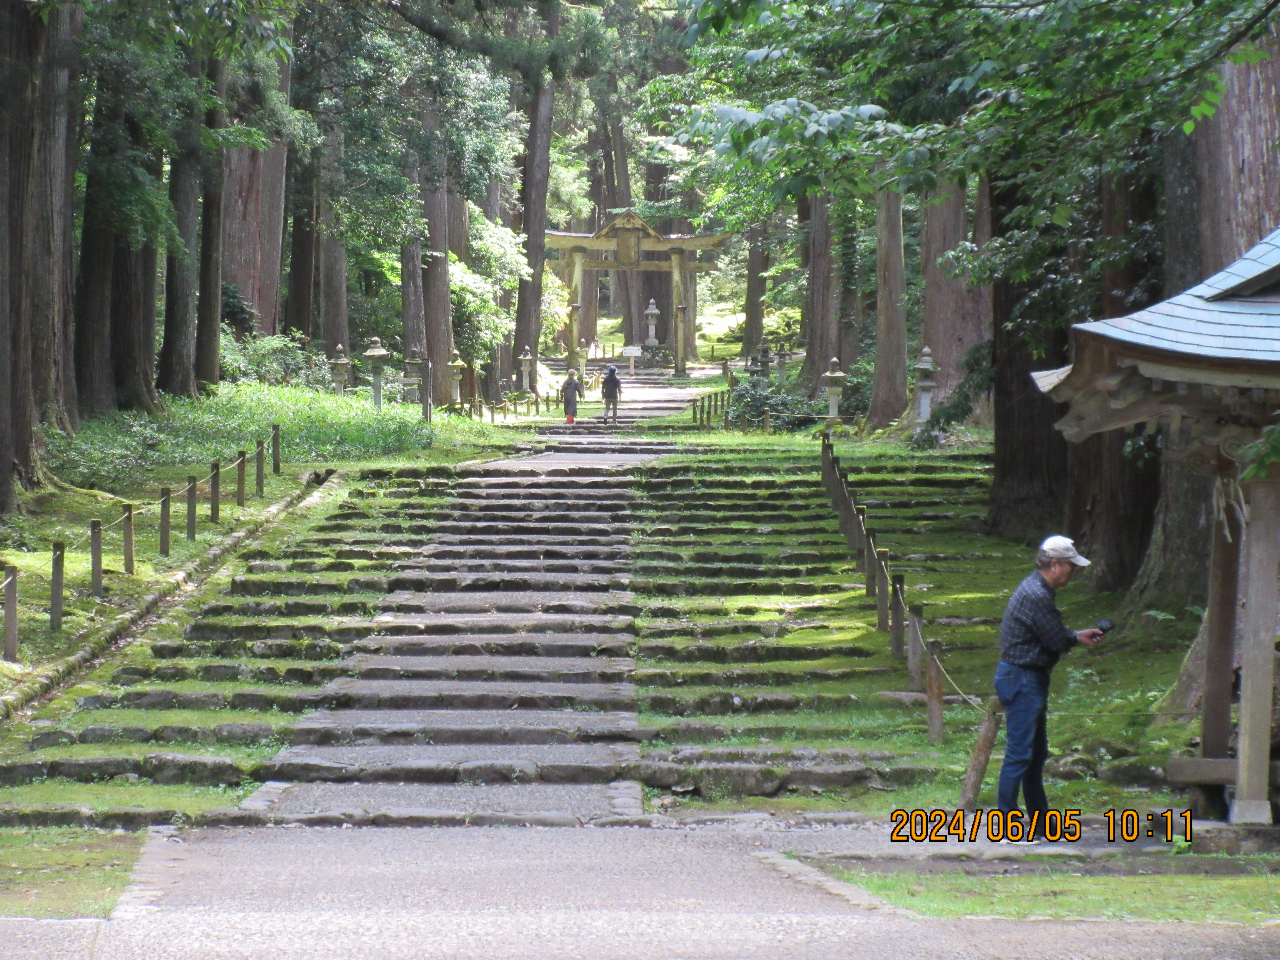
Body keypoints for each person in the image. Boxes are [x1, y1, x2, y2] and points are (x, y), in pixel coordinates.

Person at [993, 535, 1105, 833]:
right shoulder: (1038, 596)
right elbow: (1055, 639)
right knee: (1019, 753)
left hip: (1026, 676)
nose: (1073, 572)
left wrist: (1075, 635)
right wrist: (1071, 638)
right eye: (1071, 566)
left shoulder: (1034, 588)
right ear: (1055, 564)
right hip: (1022, 677)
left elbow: (1050, 632)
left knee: (1034, 754)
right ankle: (1006, 824)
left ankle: (1040, 822)